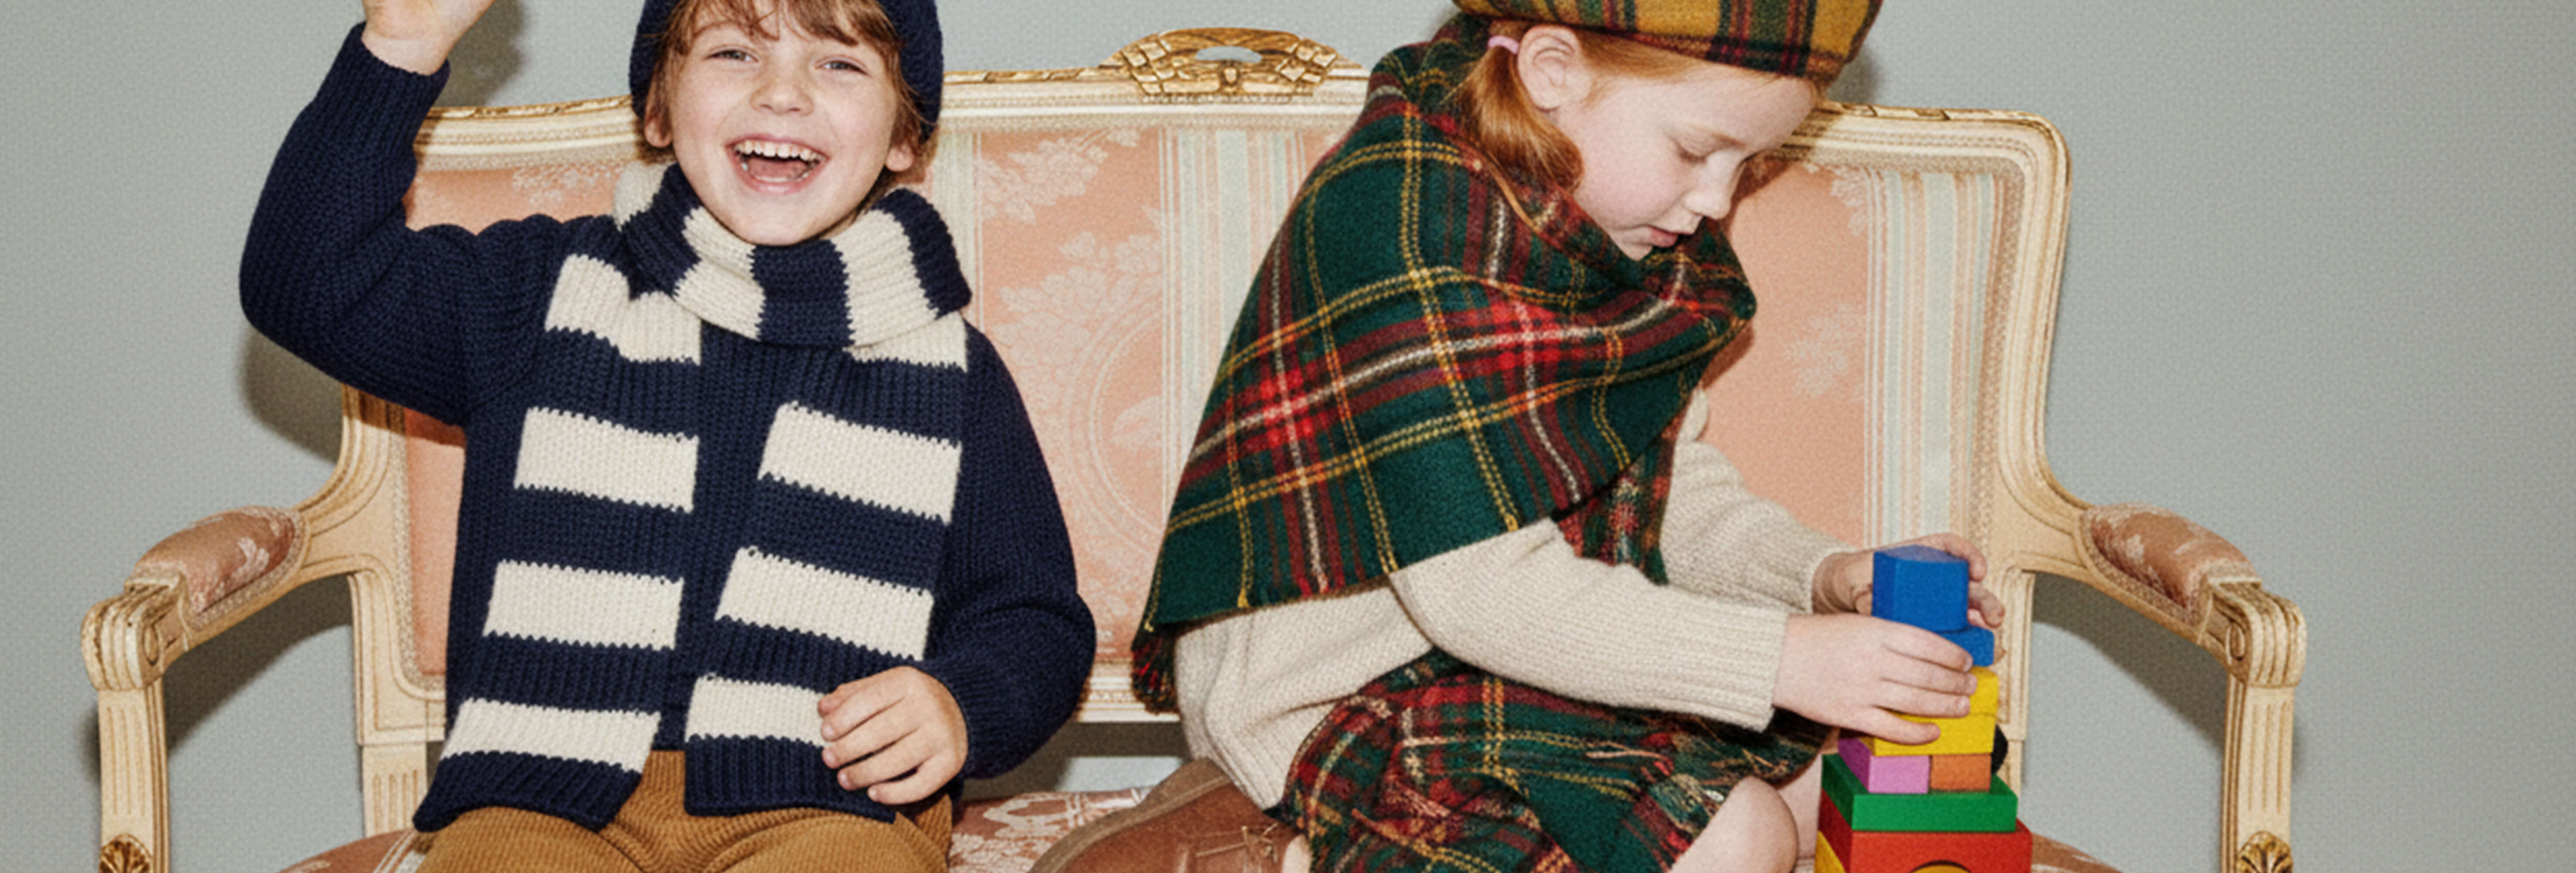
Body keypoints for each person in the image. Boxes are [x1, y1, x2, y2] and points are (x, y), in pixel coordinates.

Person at [1042, 2, 2003, 872]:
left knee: (1823, 790)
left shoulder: (1618, 231)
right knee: (1734, 832)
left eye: (1746, 166)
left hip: (1530, 658)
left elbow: (1670, 494)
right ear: (1551, 72)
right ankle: (1256, 845)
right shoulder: (1401, 224)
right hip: (1345, 690)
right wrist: (1782, 657)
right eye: (1694, 151)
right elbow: (1480, 592)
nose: (1717, 201)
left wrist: (1819, 576)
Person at [240, 0, 1094, 869]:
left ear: (905, 136)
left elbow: (1032, 619)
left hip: (826, 801)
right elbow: (309, 285)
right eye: (734, 54)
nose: (783, 93)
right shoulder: (534, 296)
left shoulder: (950, 368)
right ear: (657, 111)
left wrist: (960, 702)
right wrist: (399, 50)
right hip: (538, 796)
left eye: (838, 63)